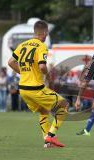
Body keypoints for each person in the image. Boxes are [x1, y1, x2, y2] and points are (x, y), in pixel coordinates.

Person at [8, 20, 68, 148]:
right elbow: (42, 66)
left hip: (23, 89)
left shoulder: (22, 45)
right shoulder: (41, 46)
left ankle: (47, 142)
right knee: (64, 105)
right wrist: (48, 75)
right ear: (45, 32)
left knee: (43, 110)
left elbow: (10, 62)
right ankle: (51, 136)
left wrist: (23, 73)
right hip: (35, 88)